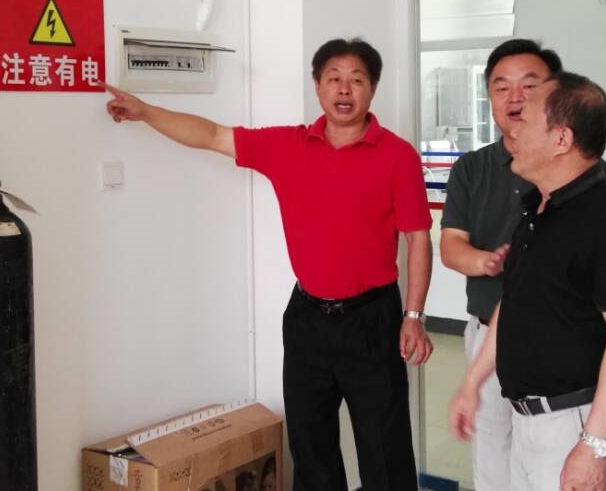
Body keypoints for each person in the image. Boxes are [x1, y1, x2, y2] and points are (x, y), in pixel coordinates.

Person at [104, 37, 433, 491]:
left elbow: (418, 238)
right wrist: (146, 112)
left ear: (372, 88)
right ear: (317, 86)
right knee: (311, 448)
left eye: (356, 80)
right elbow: (212, 135)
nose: (344, 89)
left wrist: (413, 315)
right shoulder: (289, 145)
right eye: (333, 78)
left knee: (385, 448)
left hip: (372, 320)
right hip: (307, 320)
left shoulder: (397, 156)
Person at [449, 71, 606, 491]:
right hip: (529, 422)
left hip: (577, 423)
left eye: (525, 120)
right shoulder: (538, 207)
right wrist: (472, 382)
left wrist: (593, 444)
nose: (513, 129)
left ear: (561, 139)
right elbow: (515, 303)